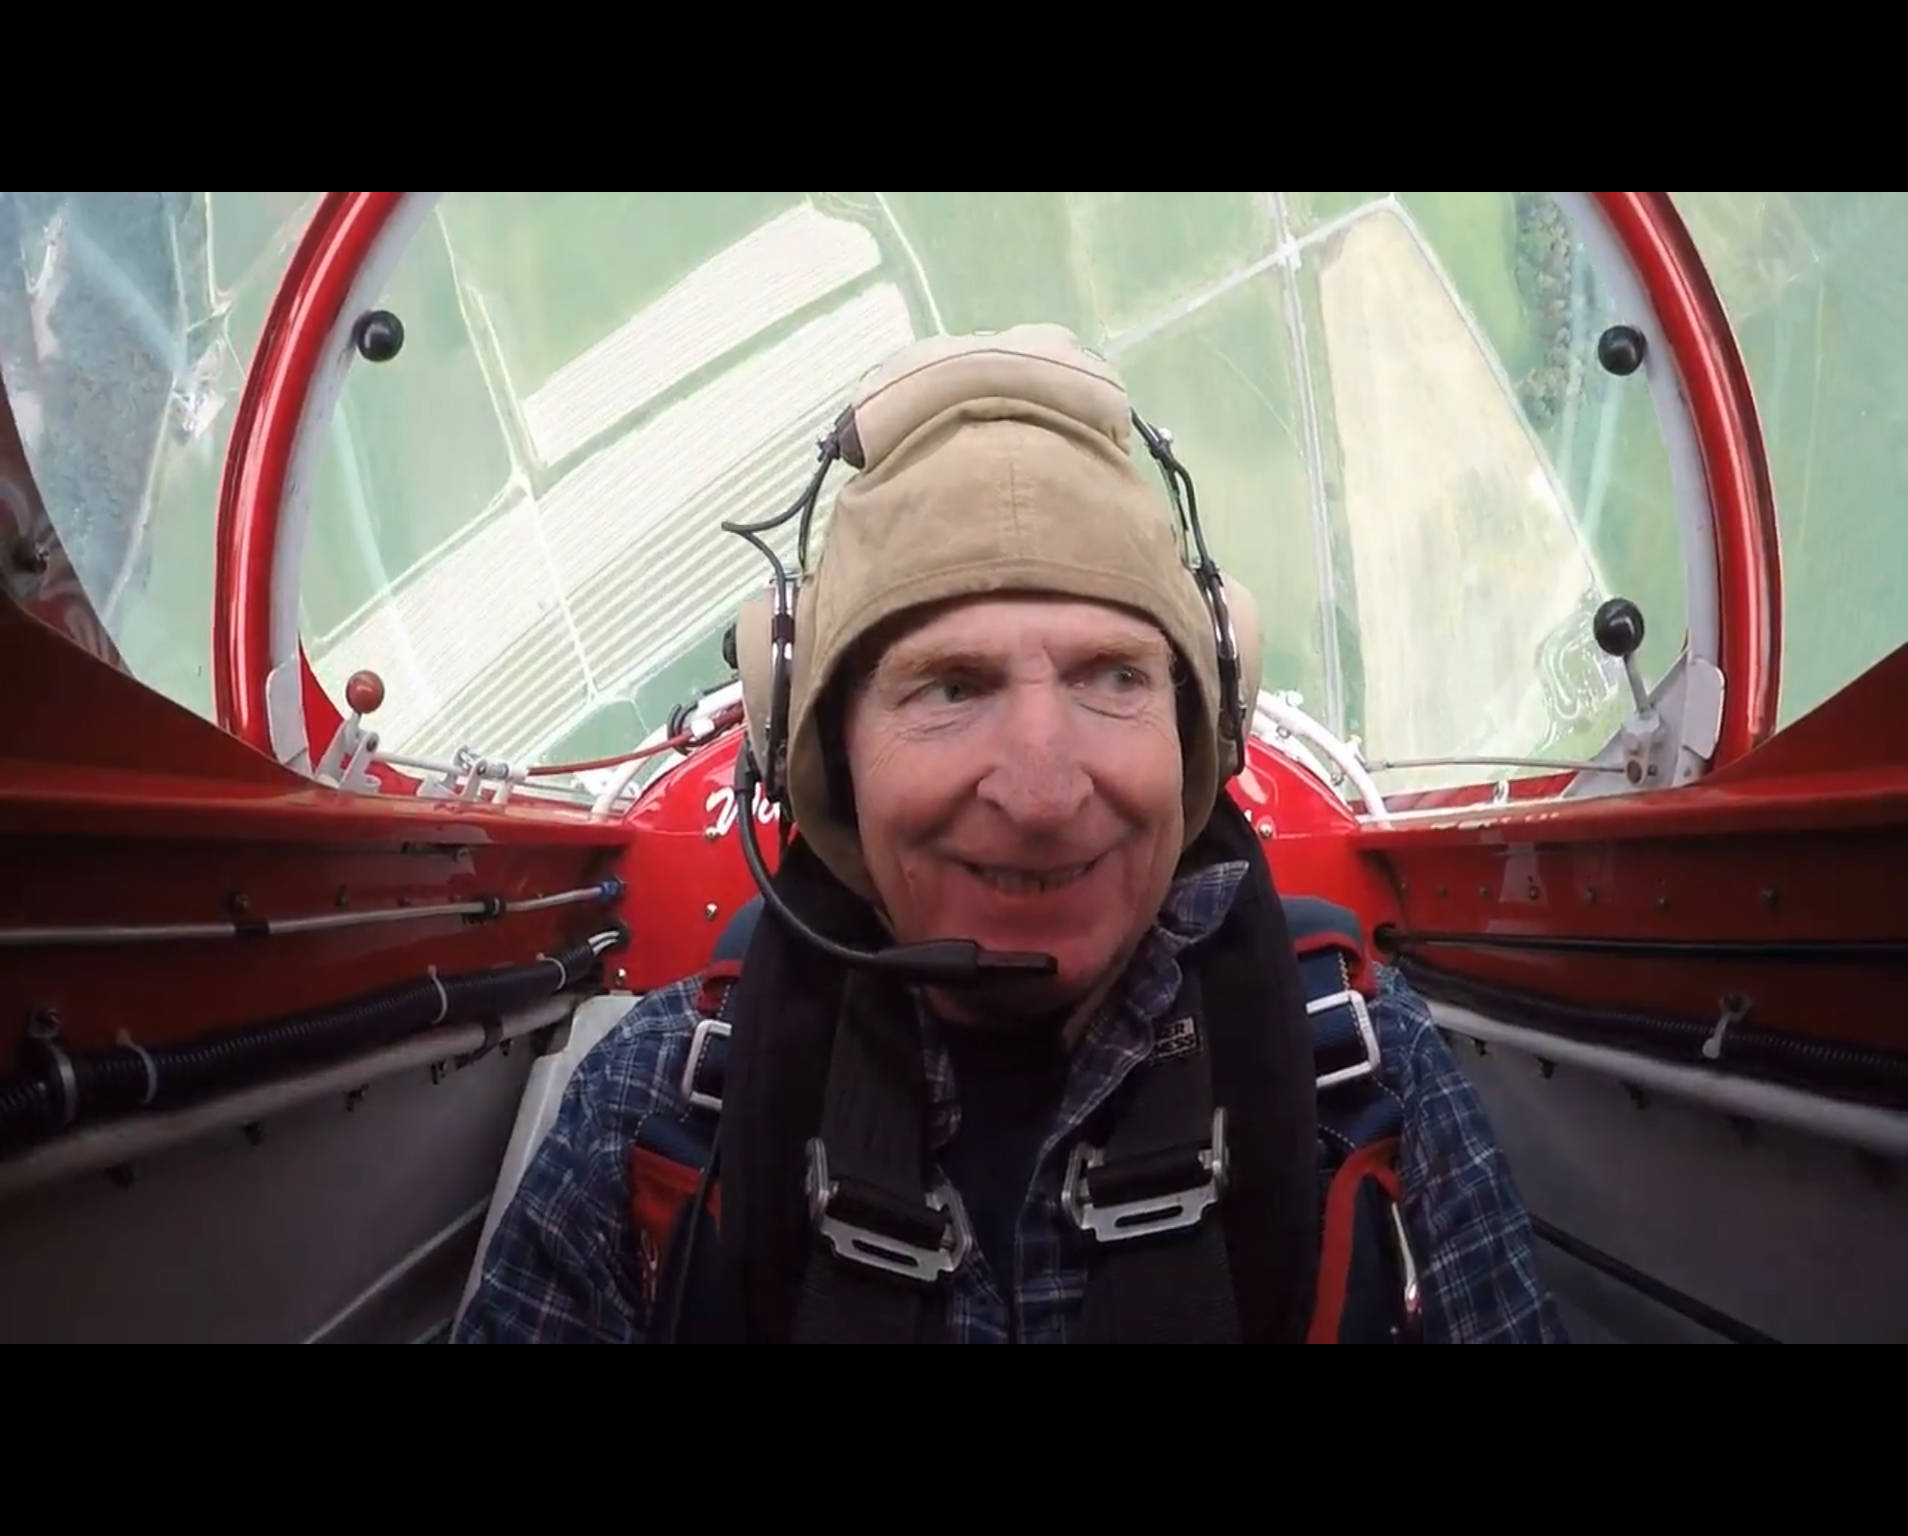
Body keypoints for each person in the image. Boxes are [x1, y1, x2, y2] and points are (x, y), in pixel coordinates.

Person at [454, 324, 1566, 1344]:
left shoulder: (1363, 1064)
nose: (1043, 792)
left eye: (1114, 676)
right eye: (949, 687)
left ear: (1198, 731)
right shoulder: (660, 1098)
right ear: (825, 750)